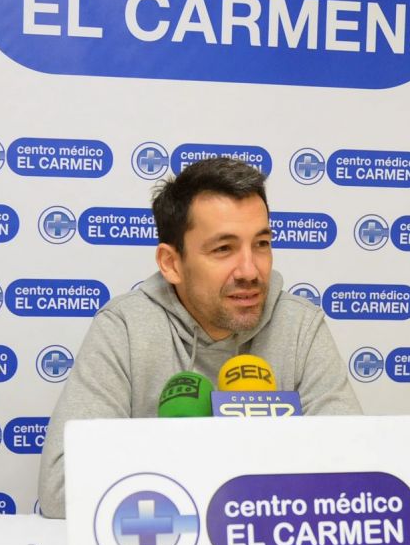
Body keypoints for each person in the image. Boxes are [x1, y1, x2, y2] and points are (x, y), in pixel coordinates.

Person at [36, 157, 361, 517]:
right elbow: (62, 489)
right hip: (164, 541)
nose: (250, 271)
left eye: (261, 243)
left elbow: (356, 469)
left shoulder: (300, 326)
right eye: (223, 249)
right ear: (171, 264)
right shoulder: (124, 328)